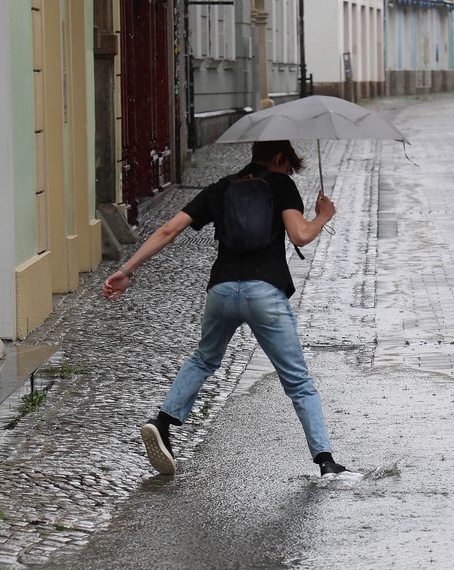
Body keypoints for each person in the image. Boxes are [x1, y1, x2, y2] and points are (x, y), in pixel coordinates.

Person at [102, 140, 352, 479]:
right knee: (298, 381)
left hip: (221, 291)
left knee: (204, 359)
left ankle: (162, 422)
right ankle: (326, 461)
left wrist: (127, 271)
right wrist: (323, 215)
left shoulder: (222, 188)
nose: (288, 173)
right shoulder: (280, 185)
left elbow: (169, 229)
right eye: (288, 167)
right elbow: (300, 235)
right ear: (279, 158)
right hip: (264, 293)